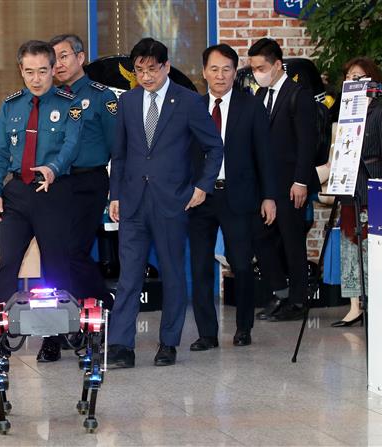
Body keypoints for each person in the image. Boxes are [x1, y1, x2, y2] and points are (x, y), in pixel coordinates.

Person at [107, 38, 224, 368]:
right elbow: (119, 153)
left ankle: (168, 343)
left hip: (172, 202)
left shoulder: (188, 101)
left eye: (152, 69)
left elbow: (214, 147)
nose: (146, 77)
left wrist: (202, 186)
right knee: (129, 276)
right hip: (133, 203)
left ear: (166, 66)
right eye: (139, 70)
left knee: (172, 273)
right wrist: (115, 195)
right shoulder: (128, 102)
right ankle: (120, 345)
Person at [0, 40, 82, 362]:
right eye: (30, 71)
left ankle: (53, 338)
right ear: (21, 70)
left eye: (43, 71)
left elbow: (71, 146)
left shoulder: (70, 105)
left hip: (52, 192)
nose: (36, 78)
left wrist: (53, 168)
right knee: (7, 263)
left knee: (54, 268)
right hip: (17, 194)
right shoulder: (11, 106)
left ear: (53, 70)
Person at [188, 44, 277, 351]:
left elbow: (265, 155)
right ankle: (207, 334)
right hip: (200, 199)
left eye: (227, 69)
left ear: (235, 72)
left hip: (238, 196)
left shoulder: (250, 106)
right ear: (204, 72)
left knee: (241, 265)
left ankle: (243, 327)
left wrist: (269, 196)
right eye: (214, 69)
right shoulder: (194, 108)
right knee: (200, 268)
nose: (220, 75)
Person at [248, 38, 319, 322]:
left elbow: (307, 143)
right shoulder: (259, 96)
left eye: (261, 68)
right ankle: (280, 291)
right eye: (253, 69)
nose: (257, 74)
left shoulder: (298, 95)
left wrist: (301, 181)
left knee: (292, 242)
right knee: (260, 237)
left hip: (291, 185)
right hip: (265, 185)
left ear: (277, 65)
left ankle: (298, 301)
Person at [50, 34, 117, 311]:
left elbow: (118, 148)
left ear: (80, 57)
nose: (58, 64)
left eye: (64, 56)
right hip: (59, 183)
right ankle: (71, 312)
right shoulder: (52, 98)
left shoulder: (102, 96)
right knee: (58, 252)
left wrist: (118, 191)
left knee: (74, 250)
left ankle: (105, 303)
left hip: (89, 181)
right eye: (53, 59)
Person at [331, 57, 382, 327]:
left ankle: (377, 302)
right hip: (349, 182)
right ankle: (354, 305)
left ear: (372, 79)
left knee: (372, 247)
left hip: (373, 181)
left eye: (358, 77)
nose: (352, 81)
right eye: (349, 77)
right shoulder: (345, 110)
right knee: (349, 244)